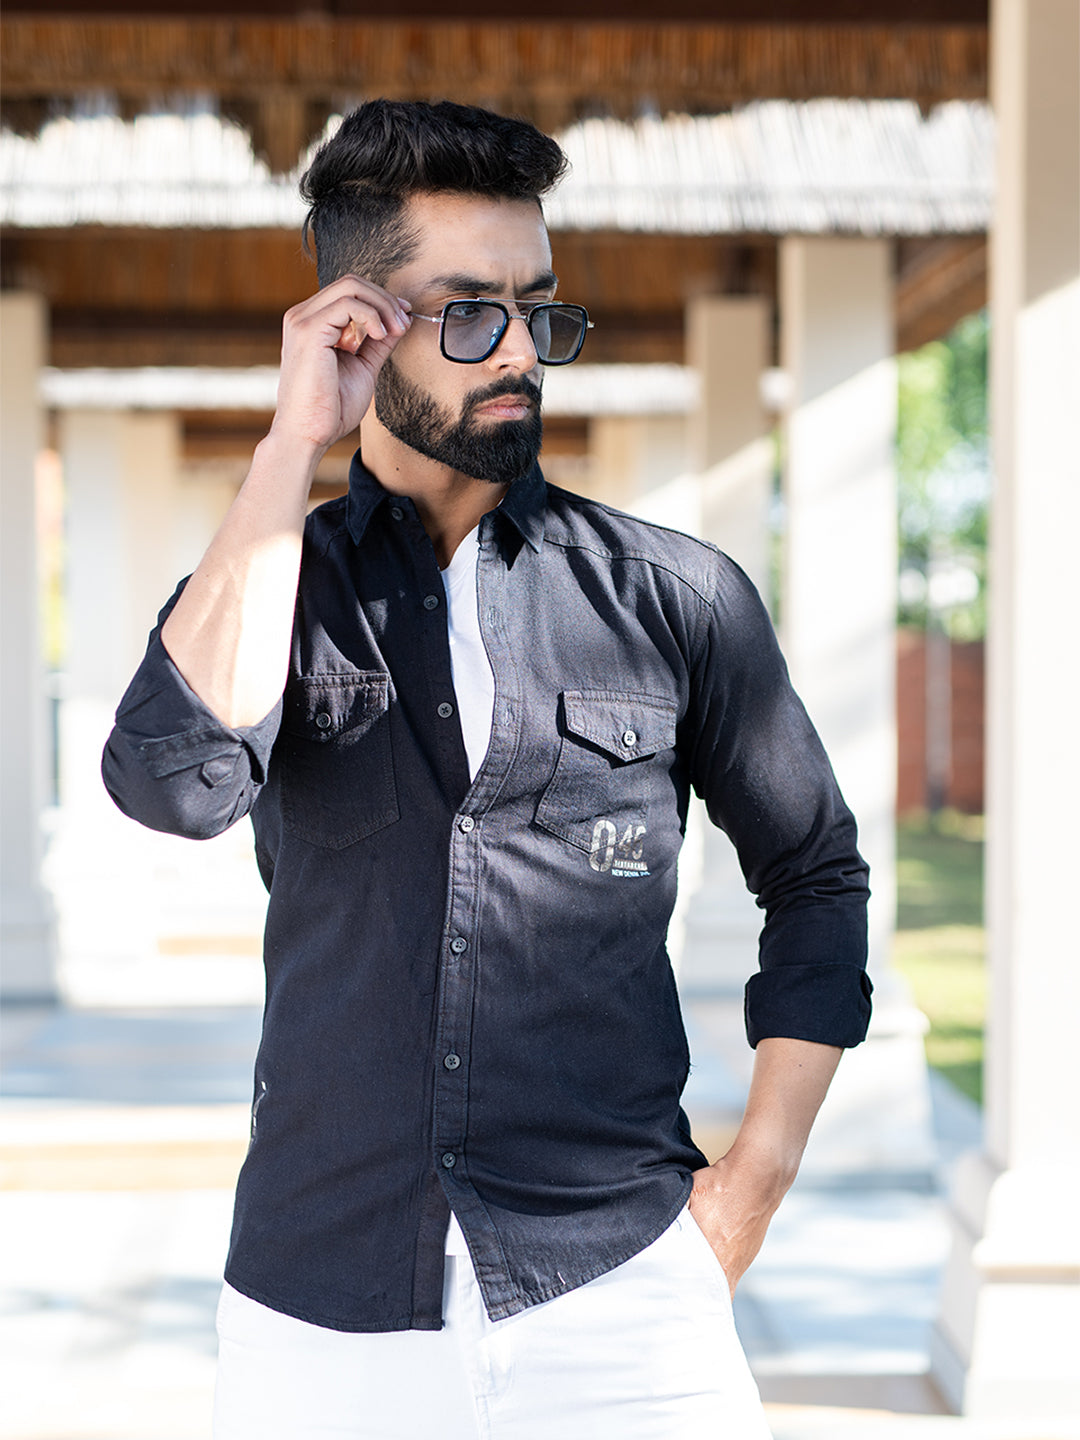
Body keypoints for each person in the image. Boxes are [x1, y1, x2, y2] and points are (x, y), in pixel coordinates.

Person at [102, 99, 871, 1439]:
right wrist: (291, 446)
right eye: (469, 313)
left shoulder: (675, 598)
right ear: (358, 324)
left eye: (537, 309)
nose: (519, 351)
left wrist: (753, 1182)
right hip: (319, 1307)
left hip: (622, 1291)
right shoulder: (271, 586)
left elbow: (815, 875)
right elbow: (177, 785)